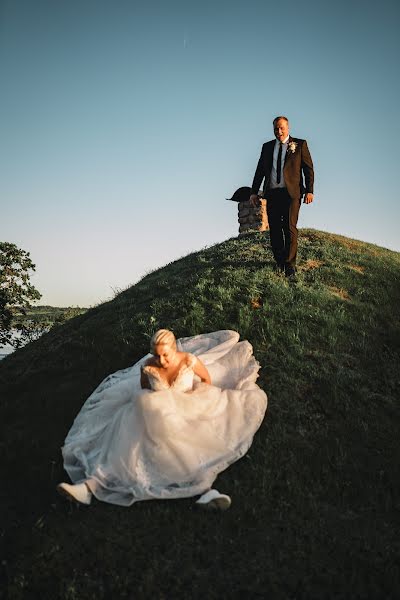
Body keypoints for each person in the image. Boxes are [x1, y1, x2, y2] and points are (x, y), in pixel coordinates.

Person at [57, 329, 268, 510]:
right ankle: (88, 487)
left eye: (165, 355)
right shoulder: (148, 366)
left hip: (188, 406)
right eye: (157, 356)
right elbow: (144, 389)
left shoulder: (188, 360)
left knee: (189, 446)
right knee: (126, 442)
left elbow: (206, 379)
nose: (162, 361)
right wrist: (153, 406)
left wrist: (196, 395)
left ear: (174, 349)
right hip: (156, 412)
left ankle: (206, 490)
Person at [250, 116, 314, 278]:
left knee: (290, 227)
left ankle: (290, 265)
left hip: (292, 193)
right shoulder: (267, 147)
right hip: (272, 193)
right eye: (276, 129)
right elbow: (260, 171)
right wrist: (254, 191)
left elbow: (308, 169)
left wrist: (310, 190)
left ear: (288, 128)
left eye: (281, 128)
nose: (278, 131)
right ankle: (279, 262)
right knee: (275, 229)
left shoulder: (300, 145)